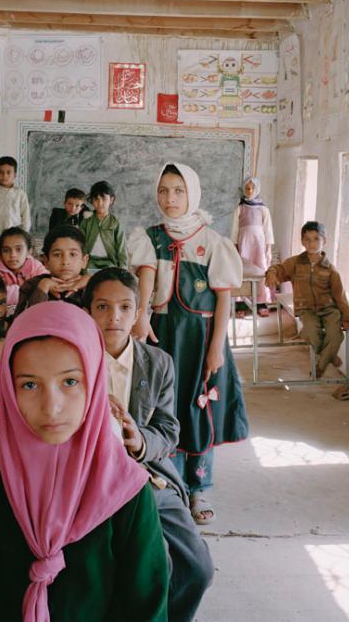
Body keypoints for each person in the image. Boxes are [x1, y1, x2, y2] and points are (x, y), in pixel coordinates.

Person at [0, 302, 169, 621]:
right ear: (8, 389)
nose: (51, 407)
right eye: (29, 385)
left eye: (70, 382)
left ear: (95, 383)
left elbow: (145, 608)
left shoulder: (125, 491)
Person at [84, 268, 214, 622]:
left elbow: (168, 428)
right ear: (87, 312)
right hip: (86, 477)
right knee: (129, 572)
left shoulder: (158, 363)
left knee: (197, 569)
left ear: (139, 314)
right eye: (102, 307)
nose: (115, 317)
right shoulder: (73, 361)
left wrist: (138, 439)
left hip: (146, 475)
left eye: (126, 308)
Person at [129, 162, 248, 525]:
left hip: (200, 338)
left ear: (192, 193)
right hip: (163, 336)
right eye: (164, 190)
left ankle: (199, 488)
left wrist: (217, 347)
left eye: (178, 191)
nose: (170, 198)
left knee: (200, 409)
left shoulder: (212, 241)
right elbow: (146, 284)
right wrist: (142, 316)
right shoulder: (150, 237)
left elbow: (224, 298)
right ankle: (171, 484)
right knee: (164, 409)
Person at [266, 221, 349, 379]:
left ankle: (320, 365)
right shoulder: (295, 263)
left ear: (324, 240)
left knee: (336, 336)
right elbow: (280, 269)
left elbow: (340, 295)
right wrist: (271, 272)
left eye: (316, 239)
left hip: (329, 309)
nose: (312, 244)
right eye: (307, 239)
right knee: (310, 332)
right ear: (302, 241)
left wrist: (346, 316)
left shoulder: (330, 269)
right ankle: (329, 357)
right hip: (306, 310)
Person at [15, 225, 89, 315]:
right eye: (57, 255)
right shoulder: (31, 285)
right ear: (46, 261)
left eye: (73, 254)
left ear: (84, 261)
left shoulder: (91, 286)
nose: (65, 262)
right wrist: (42, 288)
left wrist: (92, 283)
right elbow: (21, 321)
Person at [231, 176, 275, 317]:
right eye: (247, 188)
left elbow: (268, 230)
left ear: (257, 189)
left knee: (261, 271)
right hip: (244, 244)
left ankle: (261, 303)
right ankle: (240, 304)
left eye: (252, 188)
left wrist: (268, 247)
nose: (250, 191)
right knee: (242, 272)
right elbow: (234, 230)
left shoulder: (263, 209)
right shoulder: (240, 208)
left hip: (259, 245)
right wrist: (234, 246)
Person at [0, 227, 48, 313]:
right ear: (0, 254)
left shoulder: (36, 267)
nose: (13, 255)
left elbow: (46, 289)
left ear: (29, 252)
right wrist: (28, 292)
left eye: (18, 249)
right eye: (6, 250)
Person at [81, 180, 128, 271]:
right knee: (87, 279)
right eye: (96, 199)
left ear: (111, 200)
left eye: (104, 199)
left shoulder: (116, 223)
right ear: (92, 200)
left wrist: (123, 269)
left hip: (109, 263)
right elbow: (80, 246)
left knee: (110, 280)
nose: (100, 203)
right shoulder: (86, 223)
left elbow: (121, 249)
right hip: (90, 262)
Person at [0, 156, 30, 238]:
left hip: (16, 236)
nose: (4, 175)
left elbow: (26, 218)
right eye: (1, 172)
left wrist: (23, 235)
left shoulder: (21, 194)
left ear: (15, 174)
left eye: (8, 172)